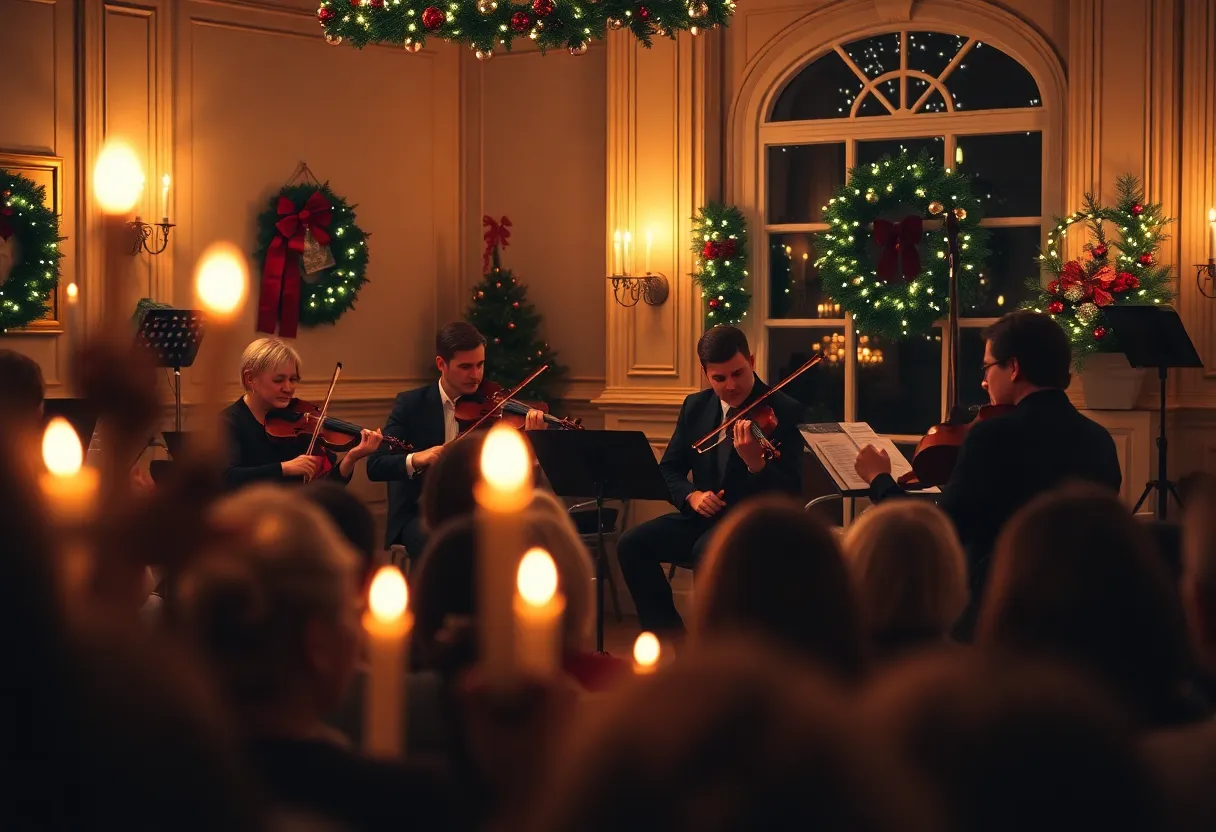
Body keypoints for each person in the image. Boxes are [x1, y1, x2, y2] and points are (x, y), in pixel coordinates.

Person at [853, 310, 1122, 638]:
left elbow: (940, 536)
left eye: (988, 367)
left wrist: (879, 480)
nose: (983, 380)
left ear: (1014, 368)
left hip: (999, 616)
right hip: (1084, 619)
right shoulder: (1099, 439)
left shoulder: (994, 436)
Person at [615, 325, 807, 637]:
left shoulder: (784, 410)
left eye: (738, 373)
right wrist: (691, 496)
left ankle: (715, 651)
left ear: (752, 361)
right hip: (702, 516)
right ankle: (671, 642)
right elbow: (669, 470)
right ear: (706, 373)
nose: (731, 386)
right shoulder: (696, 406)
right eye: (719, 378)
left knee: (709, 550)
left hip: (752, 524)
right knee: (632, 544)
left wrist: (757, 464)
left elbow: (791, 492)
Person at [366, 321, 544, 561]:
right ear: (442, 364)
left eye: (480, 365)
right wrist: (417, 458)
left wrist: (532, 449)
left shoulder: (492, 410)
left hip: (478, 511)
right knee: (446, 544)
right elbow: (376, 466)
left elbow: (518, 485)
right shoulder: (411, 405)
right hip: (420, 514)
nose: (476, 375)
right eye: (466, 367)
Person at [224, 337, 382, 491]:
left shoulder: (298, 422)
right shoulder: (228, 422)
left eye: (293, 379)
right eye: (279, 380)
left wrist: (351, 458)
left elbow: (322, 491)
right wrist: (284, 468)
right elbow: (225, 479)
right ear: (250, 378)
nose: (288, 388)